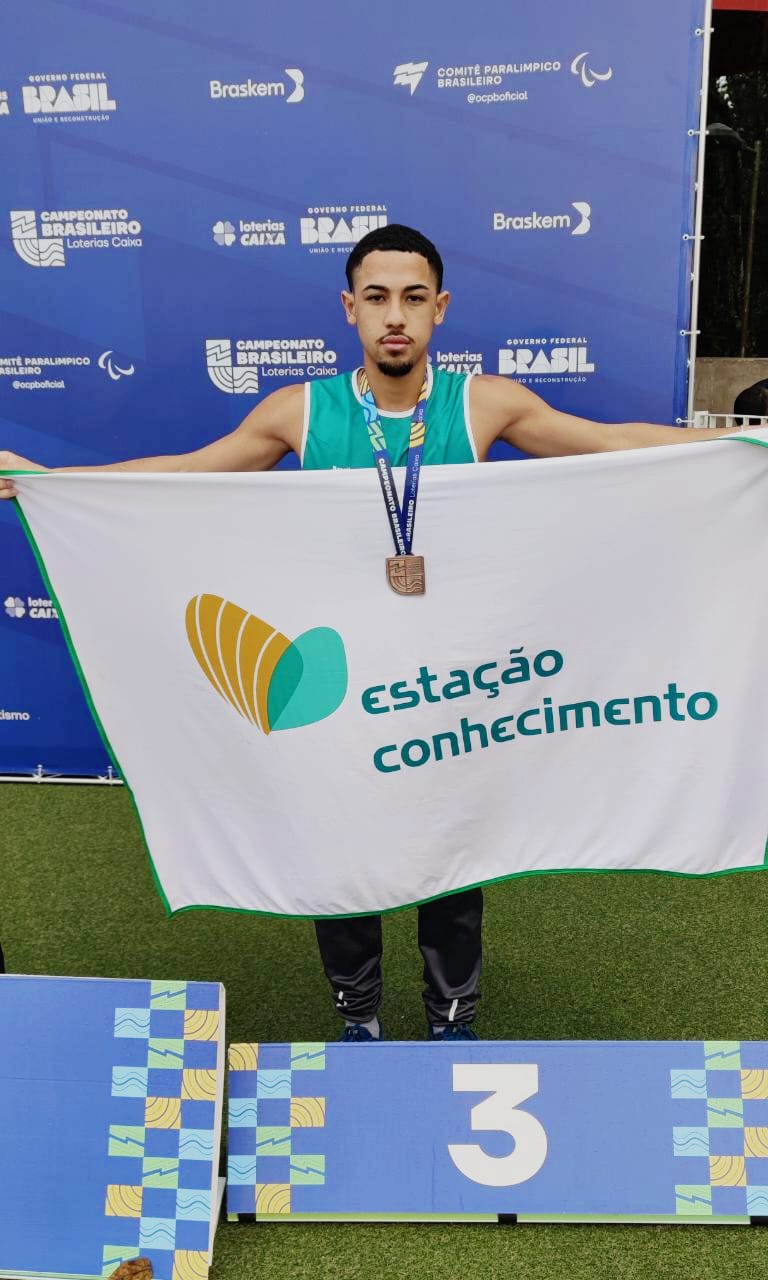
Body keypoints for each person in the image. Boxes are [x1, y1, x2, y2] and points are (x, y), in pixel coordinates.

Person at [0, 224, 736, 1043]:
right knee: (339, 851)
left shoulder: (484, 403)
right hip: (345, 685)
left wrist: (740, 446)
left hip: (452, 681)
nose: (396, 316)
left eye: (414, 299)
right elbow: (186, 472)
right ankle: (359, 1022)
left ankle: (451, 1024)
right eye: (378, 298)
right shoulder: (299, 412)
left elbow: (611, 448)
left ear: (440, 310)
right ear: (350, 310)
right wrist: (45, 482)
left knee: (454, 858)